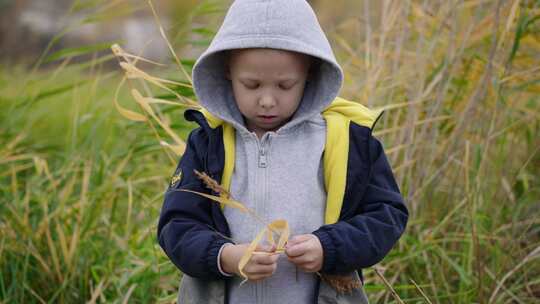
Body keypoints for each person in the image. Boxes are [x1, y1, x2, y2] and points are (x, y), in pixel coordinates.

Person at [157, 0, 408, 303]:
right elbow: (176, 226)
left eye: (285, 85)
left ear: (311, 74)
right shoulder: (208, 142)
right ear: (226, 72)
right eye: (251, 84)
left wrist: (328, 247)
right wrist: (226, 257)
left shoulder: (347, 140)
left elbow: (386, 216)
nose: (266, 100)